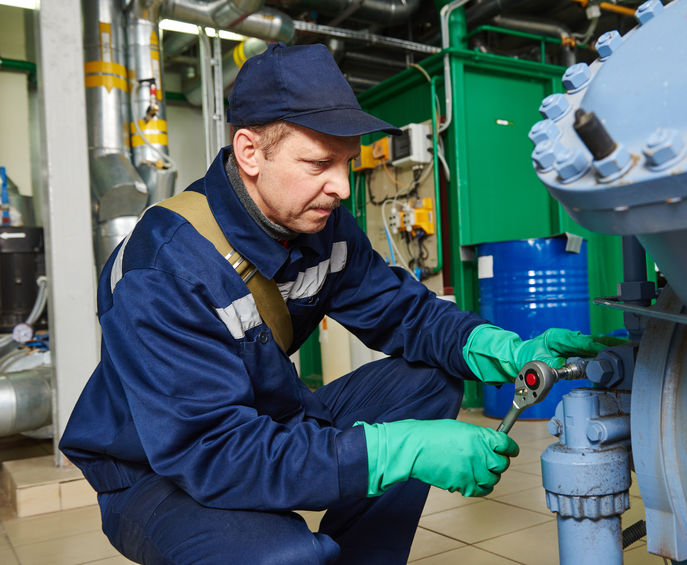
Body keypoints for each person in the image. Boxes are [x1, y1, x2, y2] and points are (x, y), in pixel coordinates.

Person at [60, 43, 612, 564]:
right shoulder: (163, 268)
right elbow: (212, 451)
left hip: (261, 416)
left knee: (429, 379)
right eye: (319, 163)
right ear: (250, 151)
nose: (343, 187)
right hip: (159, 467)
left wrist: (500, 349)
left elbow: (404, 313)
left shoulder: (320, 225)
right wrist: (401, 450)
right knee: (285, 556)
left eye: (346, 163)